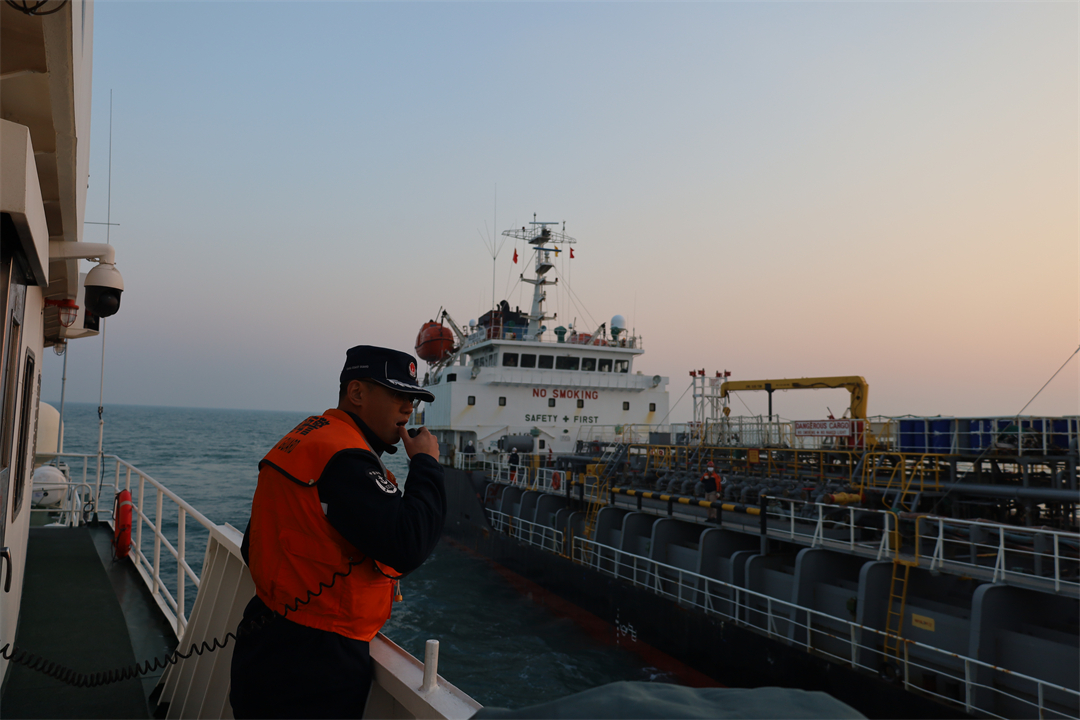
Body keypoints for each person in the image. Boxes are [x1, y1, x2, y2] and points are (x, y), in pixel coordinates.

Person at [230, 345, 445, 719]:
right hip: (316, 661)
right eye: (398, 395)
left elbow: (256, 543)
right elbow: (409, 543)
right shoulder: (346, 459)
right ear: (357, 392)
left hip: (265, 637)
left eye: (412, 399)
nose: (408, 408)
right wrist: (426, 464)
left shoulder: (307, 438)